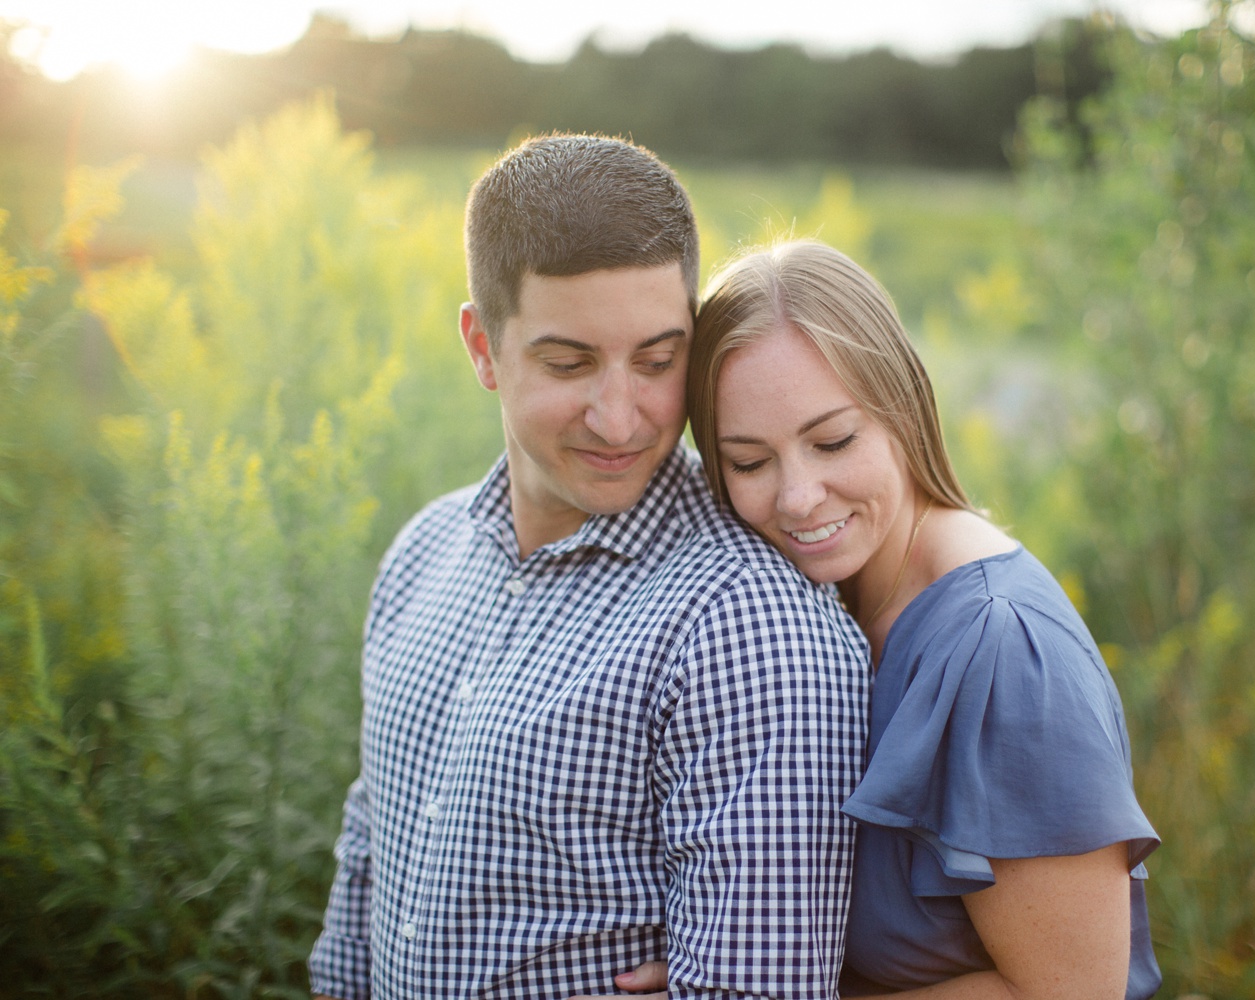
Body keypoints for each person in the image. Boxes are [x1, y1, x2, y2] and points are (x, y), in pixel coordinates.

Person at [307, 140, 870, 1000]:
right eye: (569, 363)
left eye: (657, 361)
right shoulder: (422, 552)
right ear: (483, 347)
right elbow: (368, 859)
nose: (620, 419)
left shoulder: (747, 625)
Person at [590, 239, 1161, 999]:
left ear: (904, 407)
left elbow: (1073, 995)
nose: (797, 497)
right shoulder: (815, 606)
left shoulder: (1002, 650)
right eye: (750, 462)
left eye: (833, 441)